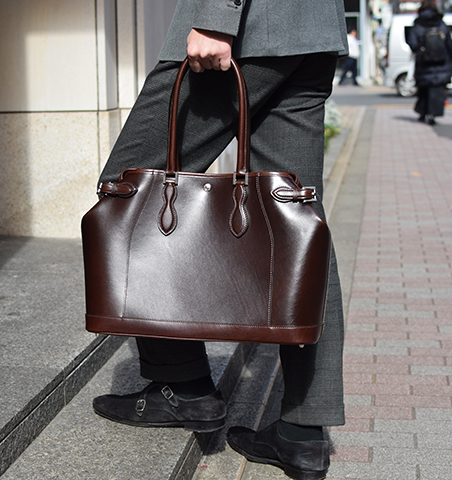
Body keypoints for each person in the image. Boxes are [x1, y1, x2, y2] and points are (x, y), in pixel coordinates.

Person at [91, 1, 348, 479]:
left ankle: (181, 388)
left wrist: (216, 16)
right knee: (297, 224)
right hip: (311, 28)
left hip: (250, 27)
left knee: (128, 190)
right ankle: (303, 433)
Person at [407, 0, 452, 125]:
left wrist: (421, 50)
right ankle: (433, 115)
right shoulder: (441, 24)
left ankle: (422, 112)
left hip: (424, 64)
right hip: (442, 63)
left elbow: (412, 43)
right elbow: (450, 45)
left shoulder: (418, 25)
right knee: (437, 90)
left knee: (424, 90)